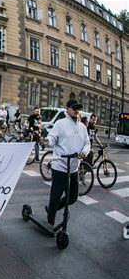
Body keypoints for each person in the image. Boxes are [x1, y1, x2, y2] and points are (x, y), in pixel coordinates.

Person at [45, 97, 91, 227]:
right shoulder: (60, 123)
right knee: (55, 196)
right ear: (67, 109)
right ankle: (50, 220)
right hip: (60, 167)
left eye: (78, 108)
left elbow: (87, 143)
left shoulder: (82, 127)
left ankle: (51, 209)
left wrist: (84, 152)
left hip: (74, 168)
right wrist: (47, 141)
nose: (77, 110)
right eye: (74, 108)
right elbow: (52, 138)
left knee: (73, 197)